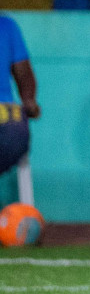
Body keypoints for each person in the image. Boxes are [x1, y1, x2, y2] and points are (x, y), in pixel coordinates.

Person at [0, 13, 38, 179]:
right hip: (8, 123)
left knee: (14, 135)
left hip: (6, 123)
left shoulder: (6, 26)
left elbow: (24, 74)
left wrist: (29, 101)